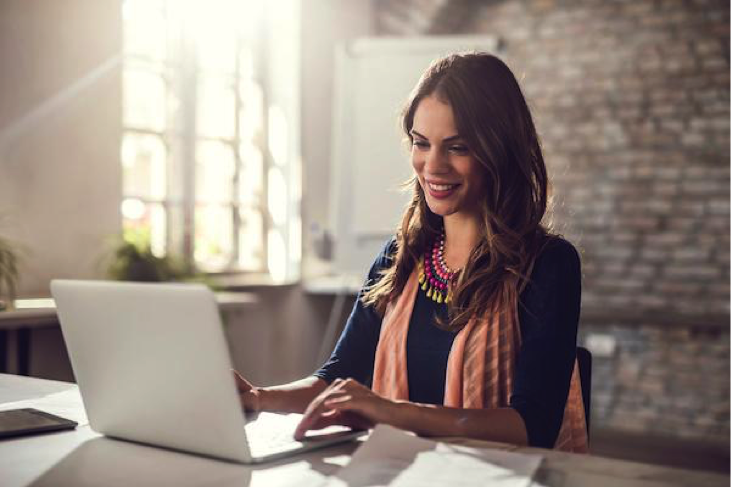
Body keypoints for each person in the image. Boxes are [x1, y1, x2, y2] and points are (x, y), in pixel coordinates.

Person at [234, 52, 589, 452]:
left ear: (499, 151)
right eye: (421, 144)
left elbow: (532, 427)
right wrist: (258, 398)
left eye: (457, 147)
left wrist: (392, 412)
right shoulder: (400, 257)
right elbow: (339, 377)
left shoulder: (549, 264)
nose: (432, 166)